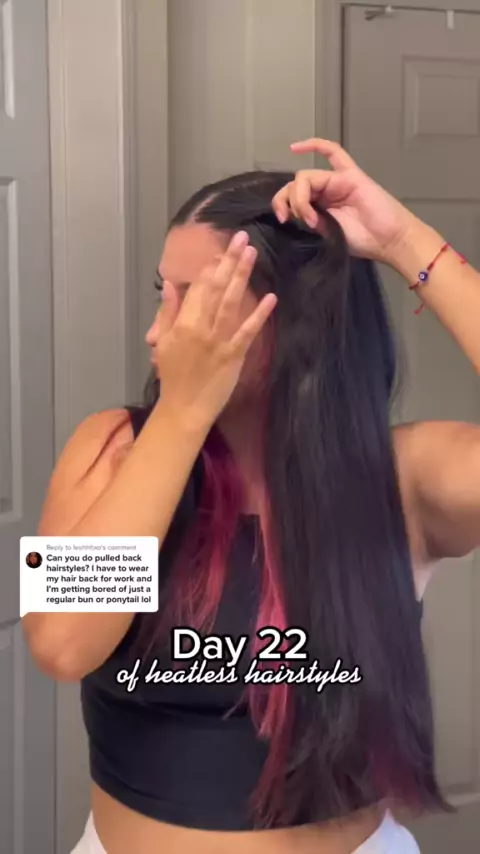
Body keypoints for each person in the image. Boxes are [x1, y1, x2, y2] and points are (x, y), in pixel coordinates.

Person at [22, 138, 480, 854]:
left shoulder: (402, 476)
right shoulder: (114, 447)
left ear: (291, 321)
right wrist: (182, 412)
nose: (157, 331)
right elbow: (61, 643)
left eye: (194, 299)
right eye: (163, 293)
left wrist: (405, 243)